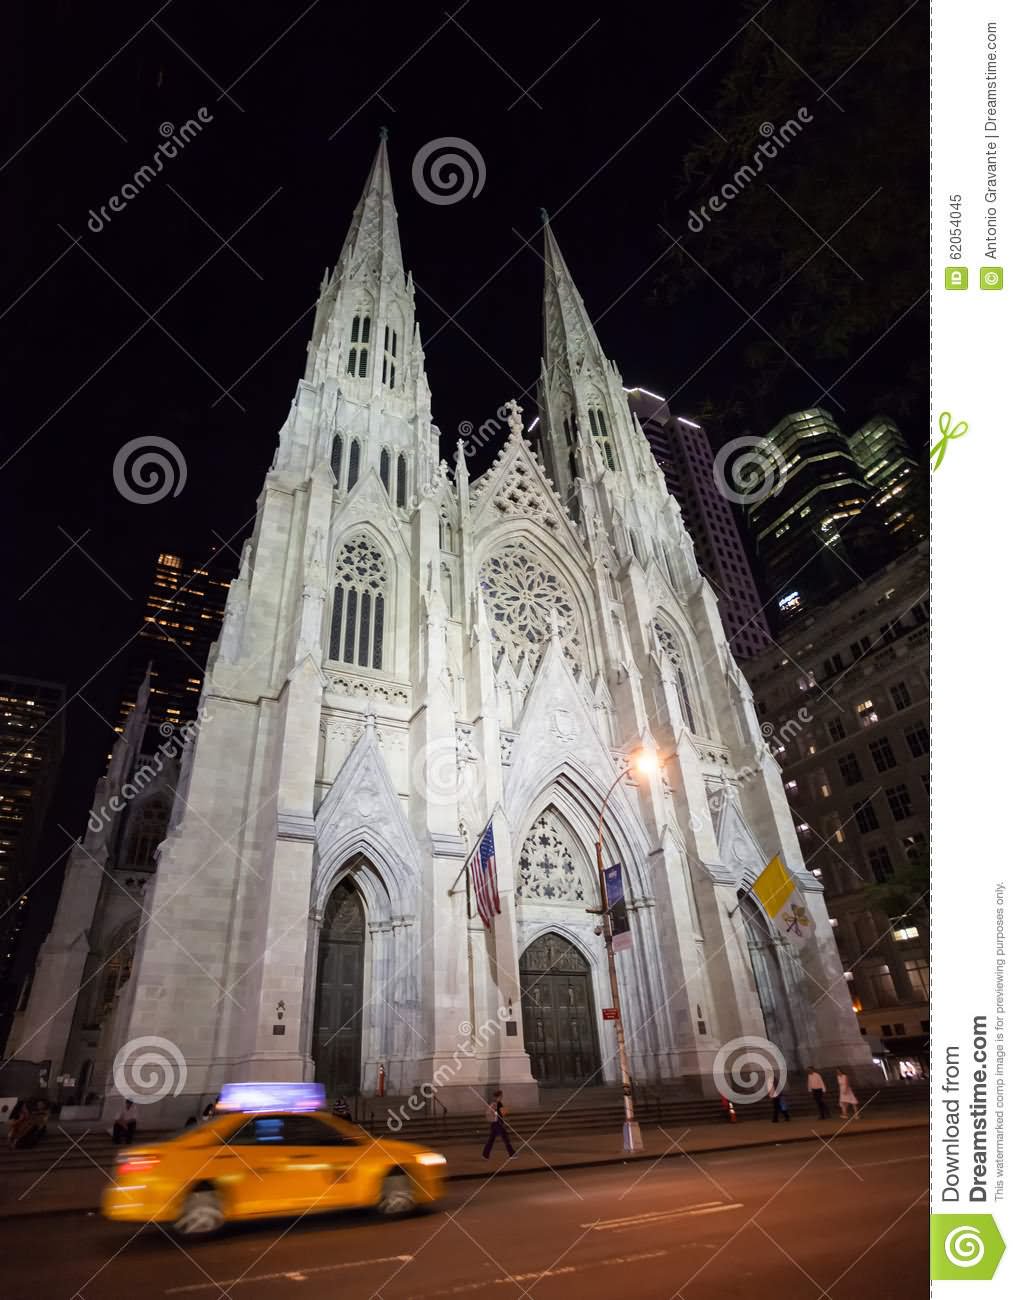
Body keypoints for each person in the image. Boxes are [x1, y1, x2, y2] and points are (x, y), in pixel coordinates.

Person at [482, 1090, 515, 1159]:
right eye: (501, 1096)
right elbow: (502, 1113)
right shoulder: (496, 1103)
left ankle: (485, 1154)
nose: (502, 1097)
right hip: (498, 1123)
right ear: (499, 1096)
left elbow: (502, 1113)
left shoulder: (496, 1103)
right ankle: (512, 1153)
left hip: (495, 1123)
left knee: (491, 1139)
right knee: (505, 1138)